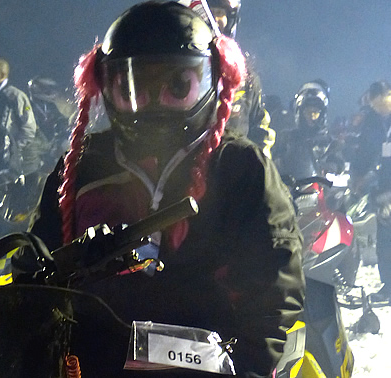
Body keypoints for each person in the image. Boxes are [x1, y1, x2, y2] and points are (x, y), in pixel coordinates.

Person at [24, 2, 304, 377]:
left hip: (205, 368)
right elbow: (36, 266)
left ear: (212, 81)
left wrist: (249, 365)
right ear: (106, 86)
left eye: (176, 86)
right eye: (135, 87)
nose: (153, 104)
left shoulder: (239, 168)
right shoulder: (84, 166)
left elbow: (272, 287)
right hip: (94, 364)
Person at [187, 0, 275, 158]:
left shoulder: (246, 79)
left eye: (219, 12)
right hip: (189, 175)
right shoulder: (181, 71)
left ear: (231, 19)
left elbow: (260, 131)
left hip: (234, 176)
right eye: (208, 11)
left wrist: (259, 172)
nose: (212, 18)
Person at [350, 80, 391, 305]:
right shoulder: (373, 122)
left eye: (383, 102)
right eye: (376, 105)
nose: (380, 108)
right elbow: (366, 150)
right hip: (384, 189)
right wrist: (357, 173)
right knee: (386, 240)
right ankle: (389, 287)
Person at [273, 80, 344, 178]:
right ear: (300, 113)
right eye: (307, 112)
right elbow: (274, 160)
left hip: (317, 189)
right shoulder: (287, 137)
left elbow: (339, 163)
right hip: (288, 189)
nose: (311, 116)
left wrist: (331, 167)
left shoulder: (329, 142)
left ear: (322, 115)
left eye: (315, 112)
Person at [0, 58, 45, 174]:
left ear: (2, 75)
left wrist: (14, 149)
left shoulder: (15, 96)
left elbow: (29, 128)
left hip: (18, 162)